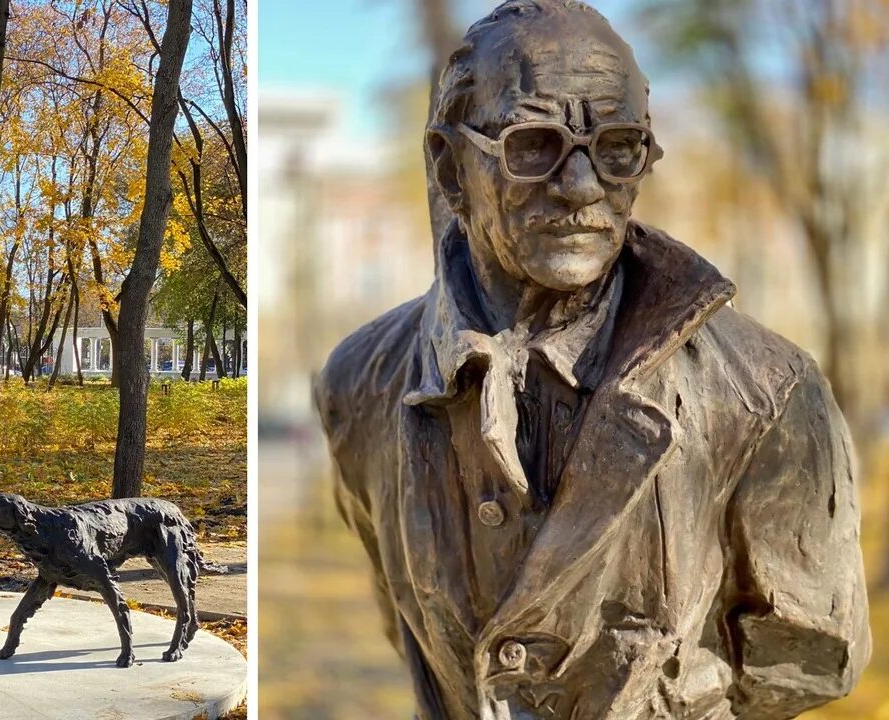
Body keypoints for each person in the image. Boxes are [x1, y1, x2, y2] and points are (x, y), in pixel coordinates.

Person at [313, 1, 871, 718]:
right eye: (535, 145)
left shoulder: (766, 393)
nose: (581, 188)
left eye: (617, 147)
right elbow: (408, 621)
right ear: (451, 168)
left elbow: (811, 656)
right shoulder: (358, 384)